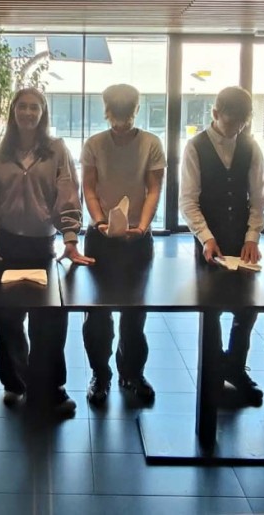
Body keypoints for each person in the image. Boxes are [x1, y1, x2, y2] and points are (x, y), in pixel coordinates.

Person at [0, 87, 93, 416]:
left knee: (50, 319)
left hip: (42, 246)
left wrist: (70, 238)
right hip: (6, 247)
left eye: (34, 107)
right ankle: (15, 382)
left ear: (42, 112)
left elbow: (68, 195)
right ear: (13, 111)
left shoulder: (56, 150)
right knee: (6, 318)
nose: (28, 112)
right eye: (22, 106)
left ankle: (51, 387)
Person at [179, 86, 264, 406]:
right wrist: (206, 237)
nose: (235, 129)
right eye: (230, 122)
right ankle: (214, 372)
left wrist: (252, 237)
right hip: (209, 239)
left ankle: (236, 367)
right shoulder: (195, 146)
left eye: (242, 124)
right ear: (215, 114)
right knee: (211, 307)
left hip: (242, 238)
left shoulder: (251, 146)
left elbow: (258, 198)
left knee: (248, 307)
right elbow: (188, 201)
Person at [80, 84, 165, 406]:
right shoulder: (94, 144)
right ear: (106, 112)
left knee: (135, 312)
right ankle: (100, 374)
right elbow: (89, 188)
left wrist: (142, 226)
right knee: (97, 313)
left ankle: (132, 373)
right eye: (116, 117)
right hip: (99, 238)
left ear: (136, 111)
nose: (121, 123)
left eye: (127, 116)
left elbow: (153, 189)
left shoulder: (151, 143)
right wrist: (100, 221)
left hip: (138, 238)